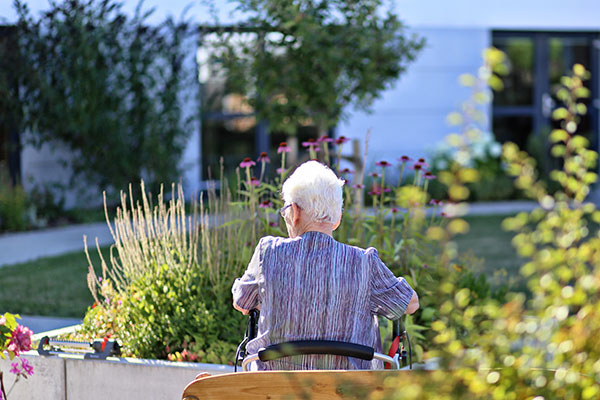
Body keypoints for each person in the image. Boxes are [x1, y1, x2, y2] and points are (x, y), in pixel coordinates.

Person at [232, 160, 419, 370]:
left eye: (285, 211)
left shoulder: (268, 251)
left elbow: (241, 302)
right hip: (348, 392)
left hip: (274, 391)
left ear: (295, 212)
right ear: (337, 218)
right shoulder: (364, 263)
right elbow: (410, 304)